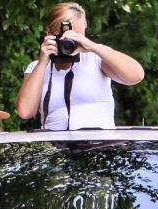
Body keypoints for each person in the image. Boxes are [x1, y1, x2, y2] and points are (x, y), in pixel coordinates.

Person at [15, 2, 145, 131]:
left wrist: (92, 47)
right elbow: (25, 112)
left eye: (76, 36)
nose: (69, 42)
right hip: (56, 147)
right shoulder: (37, 68)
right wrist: (43, 62)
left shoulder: (95, 58)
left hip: (99, 147)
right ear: (48, 32)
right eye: (64, 37)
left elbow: (136, 76)